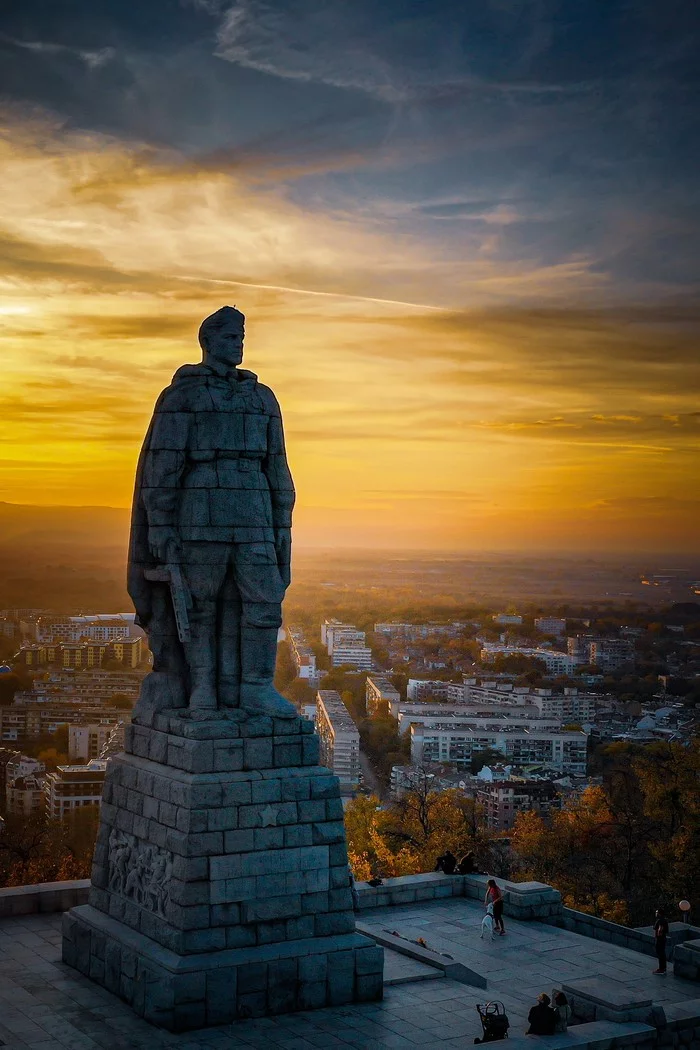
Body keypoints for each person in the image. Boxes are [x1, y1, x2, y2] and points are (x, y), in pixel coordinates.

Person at [653, 907, 669, 974]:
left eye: (656, 912)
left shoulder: (660, 920)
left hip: (660, 939)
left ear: (659, 913)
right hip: (663, 938)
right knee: (662, 953)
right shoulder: (664, 920)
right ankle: (663, 968)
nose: (656, 914)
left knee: (660, 953)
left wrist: (658, 935)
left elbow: (660, 929)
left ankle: (661, 969)